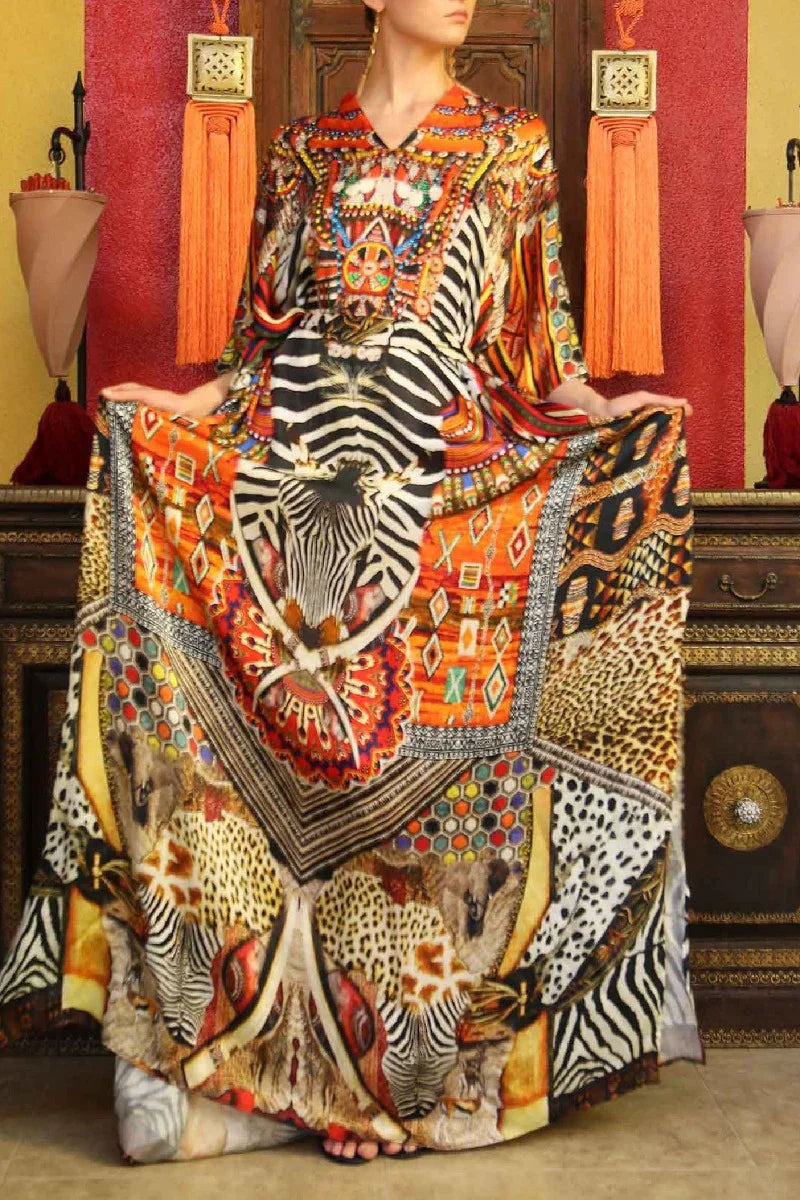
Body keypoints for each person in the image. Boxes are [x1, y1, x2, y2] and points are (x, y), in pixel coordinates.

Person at [0, 0, 703, 1167]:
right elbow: (256, 349)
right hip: (297, 466)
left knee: (447, 771)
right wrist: (181, 409)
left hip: (444, 473)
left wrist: (610, 416)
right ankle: (203, 1058)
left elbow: (542, 352)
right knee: (217, 660)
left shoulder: (510, 147)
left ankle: (404, 1079)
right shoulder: (300, 154)